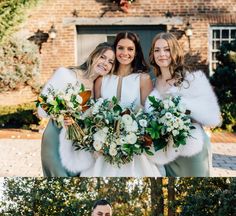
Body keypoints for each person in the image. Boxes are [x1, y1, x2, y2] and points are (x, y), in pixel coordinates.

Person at [80, 31, 165, 177]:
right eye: (120, 48)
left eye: (130, 49)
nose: (125, 53)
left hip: (134, 150)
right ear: (115, 49)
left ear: (136, 52)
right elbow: (93, 114)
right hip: (104, 149)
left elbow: (150, 116)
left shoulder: (143, 79)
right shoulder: (101, 80)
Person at [146, 32, 221, 177]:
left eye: (167, 49)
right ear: (153, 55)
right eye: (157, 50)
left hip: (192, 148)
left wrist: (180, 118)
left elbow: (211, 117)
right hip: (166, 151)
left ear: (174, 52)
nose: (162, 54)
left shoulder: (190, 80)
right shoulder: (152, 84)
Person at [38, 42, 115, 177]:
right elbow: (41, 110)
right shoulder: (65, 74)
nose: (105, 63)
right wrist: (62, 113)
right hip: (56, 137)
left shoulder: (101, 87)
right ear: (93, 56)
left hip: (80, 147)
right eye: (102, 57)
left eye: (110, 62)